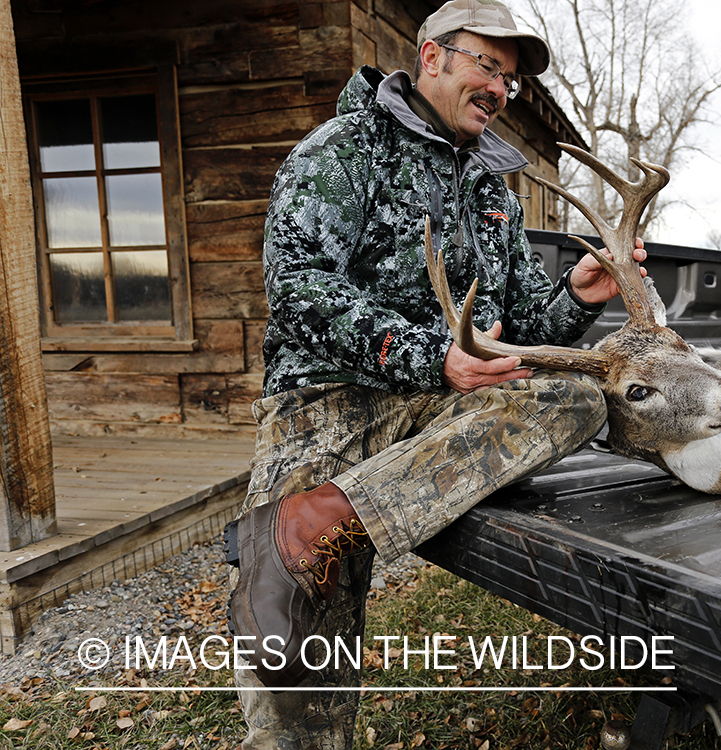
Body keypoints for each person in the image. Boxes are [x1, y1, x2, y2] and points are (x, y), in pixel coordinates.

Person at [223, 0, 646, 746]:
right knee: (288, 656)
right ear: (430, 56)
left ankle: (321, 520)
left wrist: (576, 297)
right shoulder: (343, 150)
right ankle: (304, 538)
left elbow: (519, 336)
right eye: (487, 65)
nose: (498, 89)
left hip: (442, 403)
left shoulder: (492, 193)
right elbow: (297, 293)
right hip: (326, 399)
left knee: (574, 398)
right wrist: (424, 353)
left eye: (508, 80)